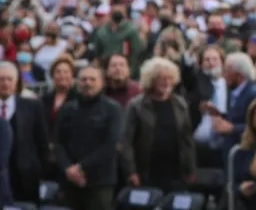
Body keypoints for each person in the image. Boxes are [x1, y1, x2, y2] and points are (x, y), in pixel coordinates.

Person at [120, 58, 196, 193]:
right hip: (146, 171)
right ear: (151, 80)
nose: (166, 82)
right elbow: (126, 143)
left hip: (175, 171)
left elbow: (187, 139)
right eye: (161, 78)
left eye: (170, 78)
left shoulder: (181, 104)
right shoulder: (136, 106)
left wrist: (190, 168)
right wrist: (131, 172)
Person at [55, 65, 123, 210]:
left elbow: (110, 145)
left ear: (102, 83)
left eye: (93, 79)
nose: (88, 83)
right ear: (77, 83)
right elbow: (58, 143)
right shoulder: (67, 109)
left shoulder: (113, 109)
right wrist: (68, 168)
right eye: (84, 79)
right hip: (70, 180)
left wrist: (81, 167)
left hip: (100, 181)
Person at [0, 60, 50, 203]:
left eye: (9, 79)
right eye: (1, 79)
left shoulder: (33, 106)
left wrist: (42, 171)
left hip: (26, 177)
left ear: (16, 82)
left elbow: (42, 141)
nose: (5, 83)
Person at [216, 52, 256, 160]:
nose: (223, 75)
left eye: (227, 71)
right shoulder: (230, 91)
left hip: (245, 154)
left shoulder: (254, 94)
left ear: (239, 75)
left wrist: (233, 129)